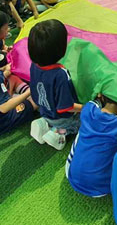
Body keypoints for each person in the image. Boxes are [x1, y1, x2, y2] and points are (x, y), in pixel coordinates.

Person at [28, 19, 83, 150]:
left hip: (44, 110)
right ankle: (58, 133)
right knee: (85, 121)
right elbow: (66, 107)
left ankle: (44, 123)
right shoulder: (60, 74)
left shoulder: (34, 65)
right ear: (60, 49)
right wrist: (85, 107)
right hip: (62, 118)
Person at [66, 94, 117, 197]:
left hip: (72, 175)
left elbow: (94, 101)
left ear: (101, 95)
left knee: (83, 131)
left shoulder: (89, 109)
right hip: (103, 188)